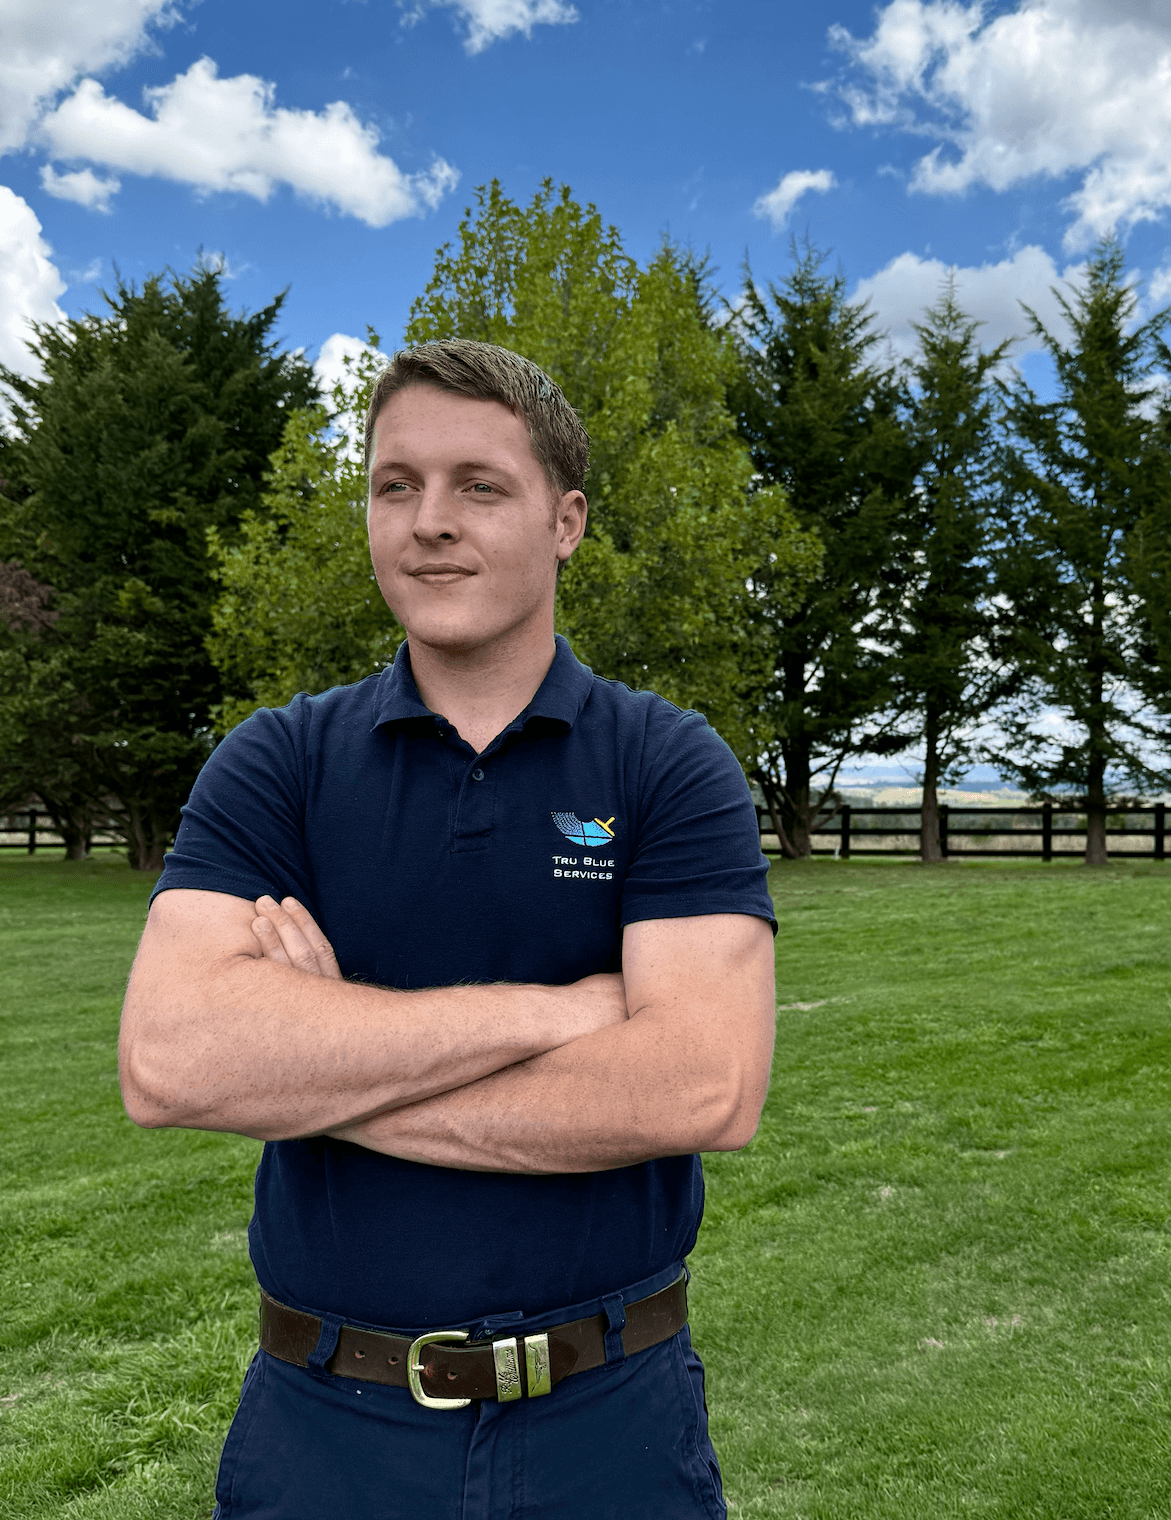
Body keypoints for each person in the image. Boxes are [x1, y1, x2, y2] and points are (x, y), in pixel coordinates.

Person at [117, 338, 777, 1519]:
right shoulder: (278, 762)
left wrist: (314, 1065)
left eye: (479, 485)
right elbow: (172, 1058)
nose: (429, 521)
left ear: (565, 521)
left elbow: (701, 1086)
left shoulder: (667, 761)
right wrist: (561, 1012)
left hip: (610, 1425)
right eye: (395, 485)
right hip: (326, 1429)